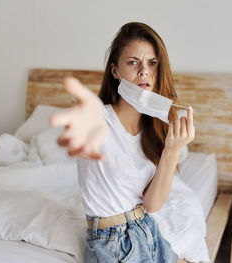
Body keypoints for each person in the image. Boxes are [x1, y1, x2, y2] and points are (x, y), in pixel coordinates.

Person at [50, 22, 194, 263]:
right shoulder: (99, 118)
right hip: (112, 242)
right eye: (133, 62)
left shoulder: (155, 129)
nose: (144, 71)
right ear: (115, 71)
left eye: (152, 63)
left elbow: (152, 204)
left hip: (146, 228)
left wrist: (172, 150)